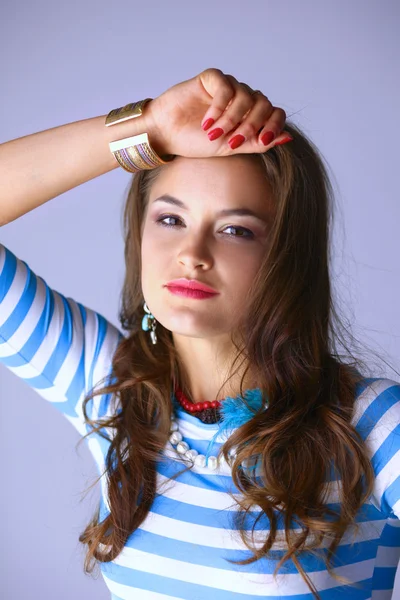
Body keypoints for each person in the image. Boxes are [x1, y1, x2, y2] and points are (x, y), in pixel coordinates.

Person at [0, 67, 399, 600]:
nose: (193, 253)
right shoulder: (109, 389)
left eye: (237, 230)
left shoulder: (369, 426)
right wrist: (151, 129)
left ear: (288, 256)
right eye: (170, 219)